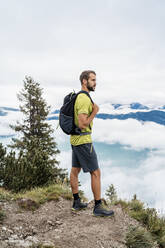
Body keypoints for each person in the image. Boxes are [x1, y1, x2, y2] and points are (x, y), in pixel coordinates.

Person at [70, 70, 114, 217]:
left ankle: (76, 202)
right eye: (93, 80)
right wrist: (95, 111)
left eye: (95, 80)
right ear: (84, 81)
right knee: (96, 172)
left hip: (75, 140)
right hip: (83, 140)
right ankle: (98, 206)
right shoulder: (83, 99)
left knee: (75, 170)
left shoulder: (81, 97)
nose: (95, 83)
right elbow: (83, 124)